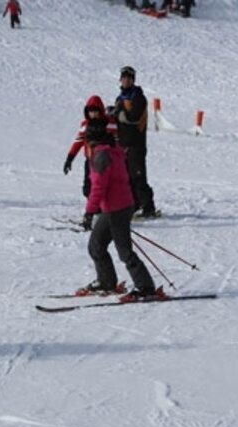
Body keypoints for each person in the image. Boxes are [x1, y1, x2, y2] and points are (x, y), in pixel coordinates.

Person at [80, 121, 161, 301]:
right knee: (96, 245)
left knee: (124, 250)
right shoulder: (111, 149)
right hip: (117, 207)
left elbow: (98, 187)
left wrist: (89, 212)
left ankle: (146, 287)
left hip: (117, 209)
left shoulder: (102, 156)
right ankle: (106, 281)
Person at [112, 66, 157, 218]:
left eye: (129, 78)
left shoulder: (138, 97)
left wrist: (119, 114)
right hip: (123, 144)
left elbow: (134, 117)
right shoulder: (121, 98)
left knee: (138, 176)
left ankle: (148, 206)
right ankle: (135, 204)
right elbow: (118, 116)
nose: (126, 80)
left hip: (136, 143)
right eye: (124, 77)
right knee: (127, 177)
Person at [64, 95, 119, 198]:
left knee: (104, 187)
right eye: (90, 111)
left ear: (100, 110)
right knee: (88, 189)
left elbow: (117, 142)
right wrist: (69, 159)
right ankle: (96, 209)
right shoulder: (85, 125)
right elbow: (78, 142)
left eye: (95, 111)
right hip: (90, 161)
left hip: (106, 161)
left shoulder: (109, 123)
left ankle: (103, 210)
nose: (93, 114)